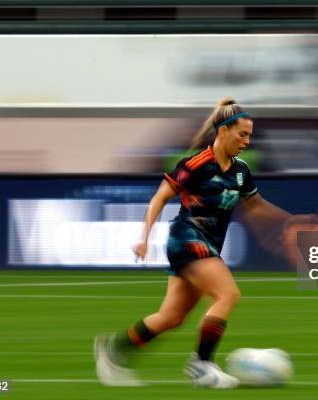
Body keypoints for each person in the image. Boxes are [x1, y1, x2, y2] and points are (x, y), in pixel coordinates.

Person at [94, 97, 287, 389]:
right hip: (187, 239)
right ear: (223, 131)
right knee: (228, 294)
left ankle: (114, 351)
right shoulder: (196, 164)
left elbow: (256, 205)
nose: (247, 141)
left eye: (250, 135)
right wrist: (143, 237)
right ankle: (201, 365)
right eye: (242, 134)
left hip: (208, 244)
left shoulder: (240, 171)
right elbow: (160, 196)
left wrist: (290, 220)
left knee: (171, 317)